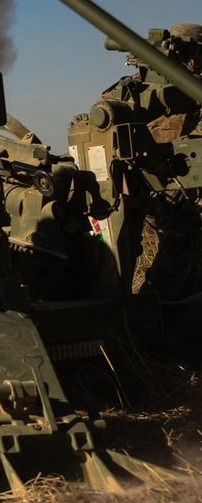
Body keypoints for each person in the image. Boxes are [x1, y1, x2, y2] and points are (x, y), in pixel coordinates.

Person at [103, 23, 202, 300]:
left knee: (190, 251)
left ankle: (177, 317)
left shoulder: (130, 86)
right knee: (181, 241)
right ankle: (150, 307)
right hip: (165, 185)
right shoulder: (136, 88)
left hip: (155, 183)